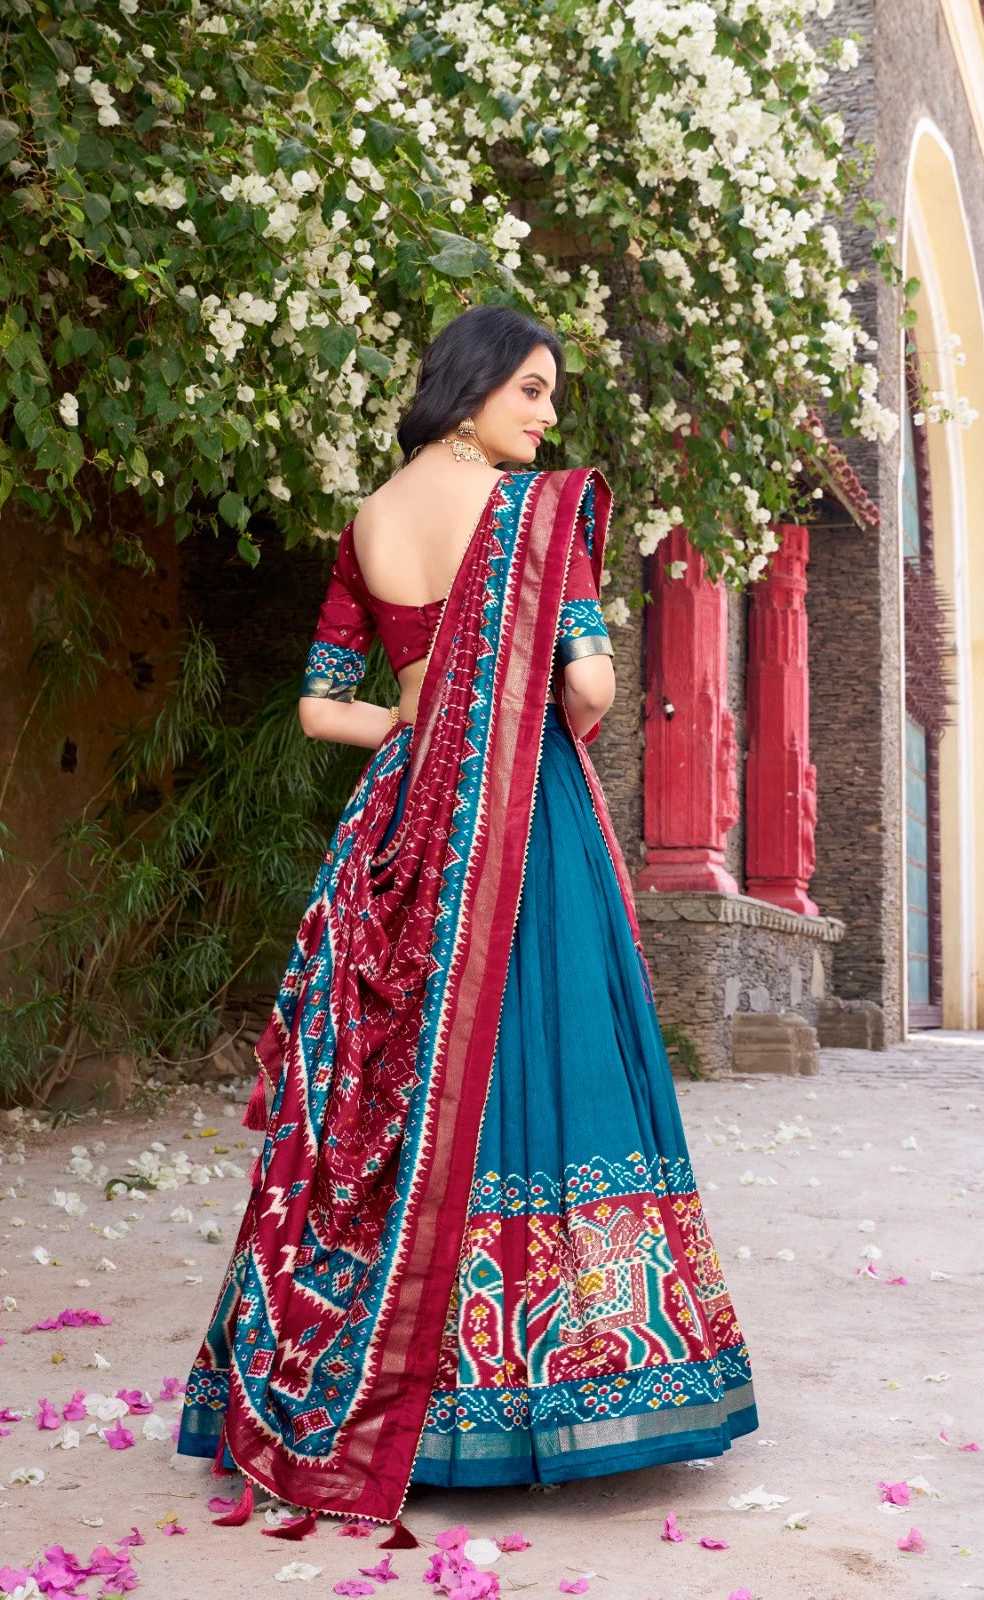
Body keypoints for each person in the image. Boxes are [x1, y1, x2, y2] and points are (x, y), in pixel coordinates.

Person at [177, 305, 758, 1543]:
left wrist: (414, 724)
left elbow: (319, 707)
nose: (548, 418)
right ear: (477, 384)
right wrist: (538, 690)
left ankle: (382, 1381)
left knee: (396, 1087)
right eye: (535, 391)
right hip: (519, 809)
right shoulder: (528, 515)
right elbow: (590, 683)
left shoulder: (370, 521)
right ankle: (557, 1385)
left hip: (400, 823)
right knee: (541, 1054)